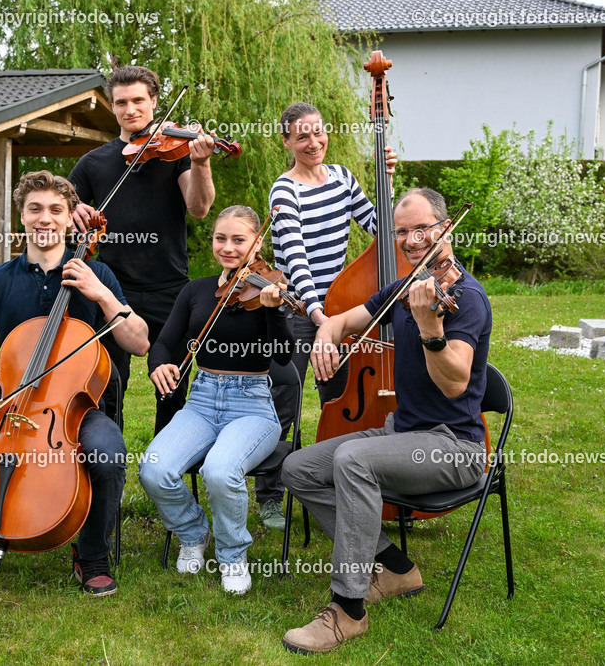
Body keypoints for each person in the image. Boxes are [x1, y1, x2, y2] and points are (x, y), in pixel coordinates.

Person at [280, 188, 492, 654]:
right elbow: (343, 320)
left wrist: (431, 331)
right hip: (403, 431)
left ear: (444, 226)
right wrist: (325, 337)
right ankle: (395, 566)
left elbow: (455, 383)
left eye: (422, 229)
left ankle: (347, 610)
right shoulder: (405, 285)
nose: (413, 240)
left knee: (354, 459)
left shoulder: (467, 297)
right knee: (298, 469)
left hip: (453, 446)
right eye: (402, 232)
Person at [0, 171, 150, 598]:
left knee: (108, 455)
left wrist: (102, 295)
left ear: (68, 219)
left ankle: (92, 553)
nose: (45, 219)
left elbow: (139, 342)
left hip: (73, 409)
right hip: (8, 404)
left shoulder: (96, 272)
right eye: (35, 209)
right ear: (22, 216)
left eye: (55, 210)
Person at [255, 101, 397, 531]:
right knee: (285, 403)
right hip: (299, 311)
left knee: (338, 402)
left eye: (318, 132)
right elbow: (295, 259)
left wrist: (389, 183)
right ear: (287, 142)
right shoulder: (285, 190)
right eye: (302, 136)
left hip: (340, 310)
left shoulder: (343, 178)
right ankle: (269, 496)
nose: (313, 142)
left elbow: (380, 229)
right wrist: (320, 319)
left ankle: (335, 487)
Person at [138, 205, 293, 595]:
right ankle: (194, 533)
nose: (227, 247)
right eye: (220, 238)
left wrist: (275, 313)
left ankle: (232, 554)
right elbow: (166, 342)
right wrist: (159, 365)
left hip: (252, 404)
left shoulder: (266, 290)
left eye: (238, 240)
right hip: (202, 400)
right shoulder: (196, 291)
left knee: (220, 472)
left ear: (258, 242)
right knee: (154, 470)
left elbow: (284, 355)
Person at [68, 64, 219, 434]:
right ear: (113, 106)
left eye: (138, 100)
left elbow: (199, 208)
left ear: (154, 102)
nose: (130, 109)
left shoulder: (178, 152)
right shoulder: (94, 162)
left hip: (170, 288)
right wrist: (72, 210)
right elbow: (58, 208)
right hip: (111, 288)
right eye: (122, 102)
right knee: (106, 383)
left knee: (172, 387)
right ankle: (109, 463)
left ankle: (164, 468)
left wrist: (201, 162)